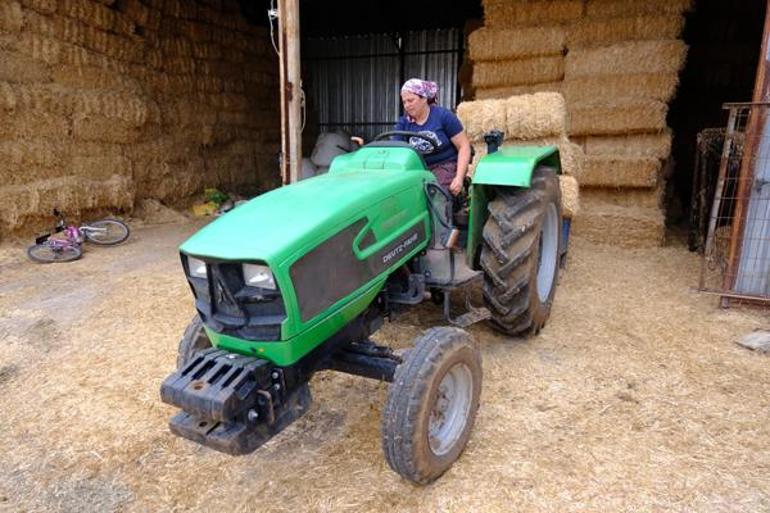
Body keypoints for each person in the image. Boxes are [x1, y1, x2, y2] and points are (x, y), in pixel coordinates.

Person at [394, 78, 471, 196]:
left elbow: (464, 146)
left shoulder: (443, 116)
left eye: (411, 100)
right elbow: (395, 148)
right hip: (417, 168)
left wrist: (459, 178)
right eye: (404, 102)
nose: (407, 106)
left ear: (424, 98)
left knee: (435, 194)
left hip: (445, 165)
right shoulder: (404, 122)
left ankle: (441, 214)